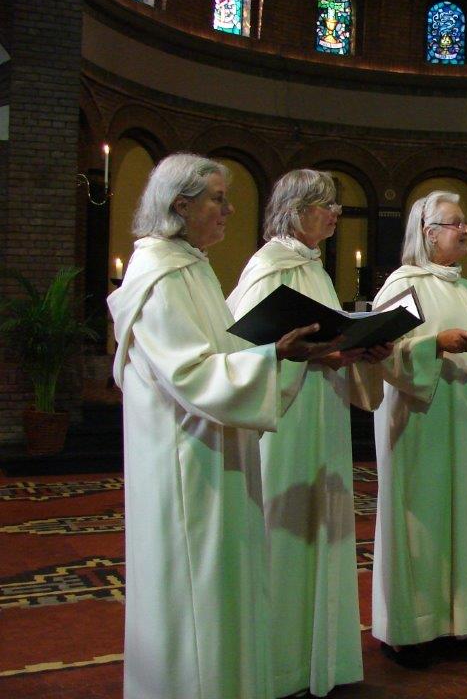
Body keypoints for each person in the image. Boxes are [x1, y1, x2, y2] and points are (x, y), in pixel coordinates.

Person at [107, 153, 340, 699]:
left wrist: (296, 353)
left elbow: (226, 348)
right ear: (180, 205)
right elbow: (190, 372)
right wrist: (273, 358)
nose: (229, 210)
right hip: (185, 462)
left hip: (215, 451)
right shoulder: (159, 275)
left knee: (222, 587)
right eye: (217, 198)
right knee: (195, 590)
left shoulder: (190, 265)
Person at [226, 170, 391, 697]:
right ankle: (276, 669)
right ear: (295, 210)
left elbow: (323, 342)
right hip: (284, 421)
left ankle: (317, 663)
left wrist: (357, 349)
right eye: (327, 205)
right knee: (285, 531)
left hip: (320, 412)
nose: (336, 214)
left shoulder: (313, 270)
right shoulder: (268, 269)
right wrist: (315, 355)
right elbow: (239, 351)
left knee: (321, 528)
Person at [371, 190, 467, 667]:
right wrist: (435, 343)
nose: (466, 230)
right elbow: (383, 352)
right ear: (428, 233)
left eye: (465, 223)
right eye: (456, 224)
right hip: (421, 425)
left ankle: (460, 622)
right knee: (421, 522)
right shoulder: (402, 285)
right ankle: (409, 632)